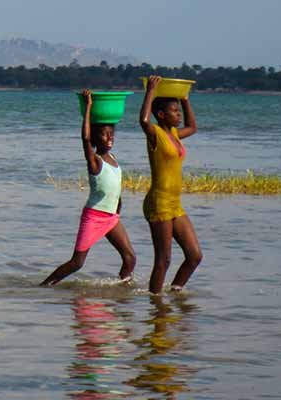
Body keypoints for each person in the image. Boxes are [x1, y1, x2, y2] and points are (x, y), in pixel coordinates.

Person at [41, 89, 136, 286]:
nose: (109, 137)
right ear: (95, 137)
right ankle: (45, 286)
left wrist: (119, 203)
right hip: (94, 217)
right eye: (104, 134)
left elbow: (114, 187)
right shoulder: (95, 161)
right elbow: (85, 139)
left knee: (129, 258)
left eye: (111, 132)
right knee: (77, 263)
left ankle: (123, 290)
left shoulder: (114, 160)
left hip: (111, 218)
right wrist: (89, 107)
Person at [139, 75, 202, 294]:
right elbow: (144, 121)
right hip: (159, 203)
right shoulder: (155, 134)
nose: (179, 115)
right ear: (161, 115)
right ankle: (155, 304)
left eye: (178, 110)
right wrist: (151, 92)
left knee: (194, 255)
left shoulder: (174, 133)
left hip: (175, 204)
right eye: (175, 111)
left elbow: (192, 127)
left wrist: (185, 99)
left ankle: (174, 293)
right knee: (163, 260)